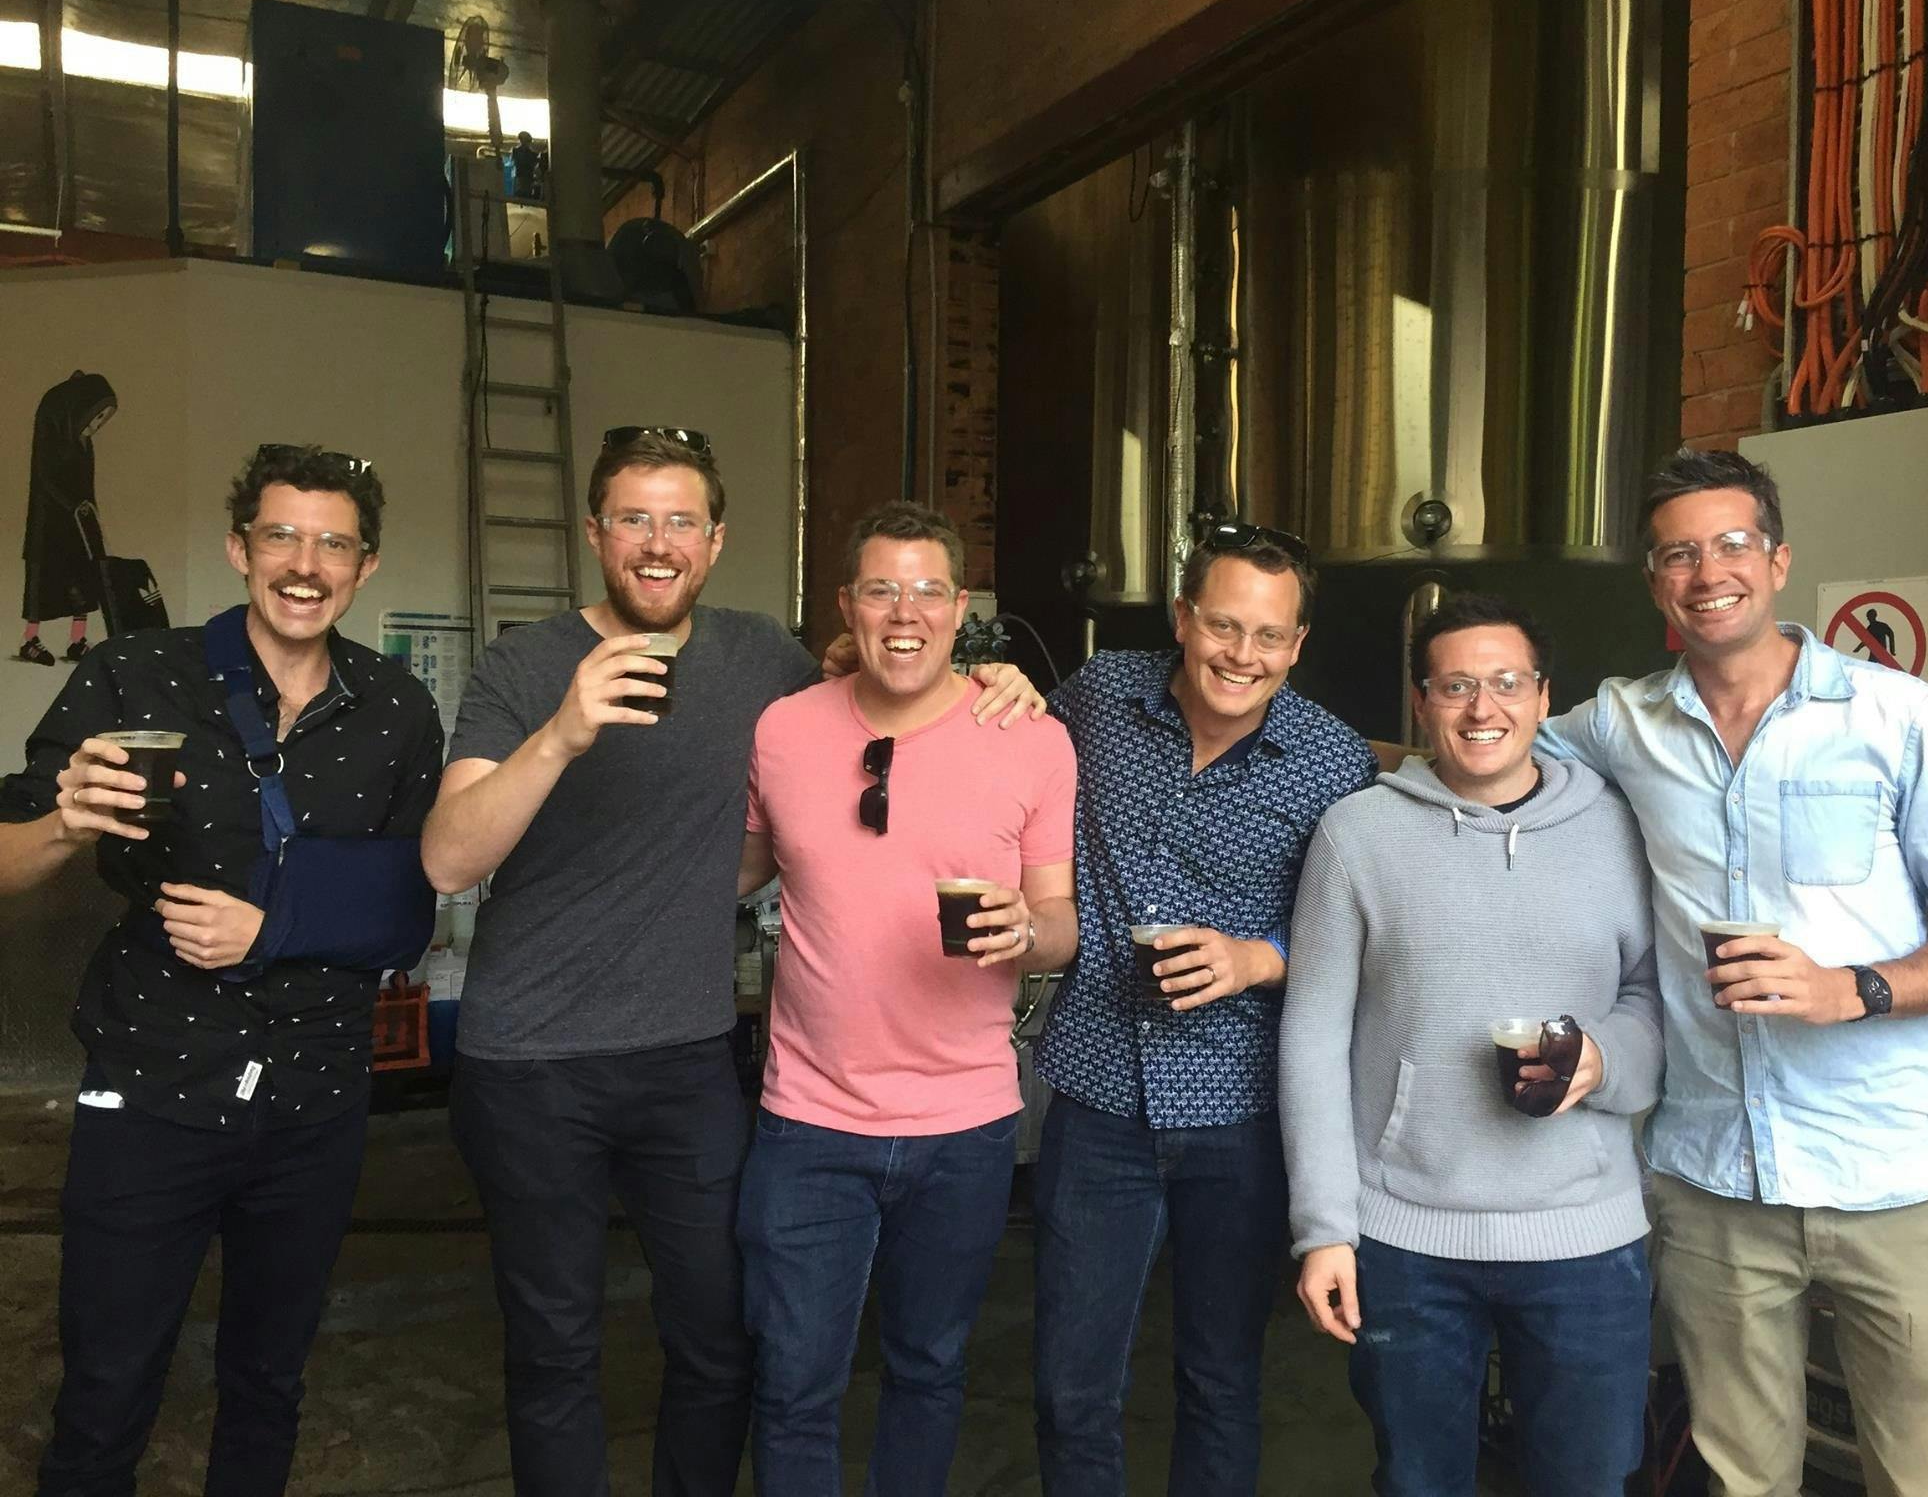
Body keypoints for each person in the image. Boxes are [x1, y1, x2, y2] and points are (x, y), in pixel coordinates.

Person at [420, 440, 1040, 1497]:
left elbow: (878, 681)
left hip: (687, 1057)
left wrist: (987, 674)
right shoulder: (523, 667)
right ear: (594, 533)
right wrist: (563, 733)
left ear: (714, 543)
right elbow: (447, 856)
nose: (655, 545)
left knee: (720, 1342)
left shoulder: (761, 659)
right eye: (631, 520)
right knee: (553, 1345)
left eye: (678, 524)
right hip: (531, 1062)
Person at [1539, 447, 1928, 1496]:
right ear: (1652, 582)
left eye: (1729, 544)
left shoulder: (1901, 718)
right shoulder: (1616, 725)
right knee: (1740, 1480)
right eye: (1676, 553)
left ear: (1776, 562)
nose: (1705, 570)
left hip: (1892, 1182)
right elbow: (1484, 748)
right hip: (1713, 1180)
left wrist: (1850, 988)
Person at [0, 444, 443, 1497]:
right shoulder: (137, 675)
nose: (306, 563)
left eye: (333, 543)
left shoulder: (395, 709)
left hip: (313, 1100)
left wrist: (275, 925)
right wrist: (65, 822)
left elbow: (406, 910)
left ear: (365, 567)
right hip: (151, 1086)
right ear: (240, 548)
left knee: (268, 1380)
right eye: (282, 535)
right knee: (106, 1388)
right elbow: (7, 854)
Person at [1281, 591, 1662, 1497]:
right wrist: (1325, 1229)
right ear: (1421, 702)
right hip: (1407, 1241)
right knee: (1418, 1483)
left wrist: (1605, 1062)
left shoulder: (1620, 829)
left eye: (1505, 683)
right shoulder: (1357, 834)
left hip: (1586, 1236)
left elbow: (1654, 996)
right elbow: (1312, 1036)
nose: (1482, 709)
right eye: (1456, 686)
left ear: (1542, 696)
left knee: (1588, 1483)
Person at [734, 500, 1079, 1496]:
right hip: (807, 1122)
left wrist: (1028, 932)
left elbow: (1056, 926)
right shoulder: (783, 730)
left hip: (964, 1124)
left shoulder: (1027, 738)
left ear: (958, 606)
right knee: (793, 1382)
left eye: (927, 590)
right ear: (847, 603)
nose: (903, 611)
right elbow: (738, 870)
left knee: (929, 1369)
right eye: (881, 588)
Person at [1031, 521, 1379, 1496]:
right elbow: (993, 761)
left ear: (1297, 643)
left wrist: (1255, 958)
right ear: (1182, 619)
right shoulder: (1095, 698)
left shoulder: (1330, 761)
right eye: (1223, 626)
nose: (1241, 654)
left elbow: (1356, 934)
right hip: (1098, 1092)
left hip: (1240, 1112)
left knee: (1219, 1380)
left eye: (1267, 636)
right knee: (1069, 1387)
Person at [19, 370, 116, 665]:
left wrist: (89, 513)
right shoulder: (53, 442)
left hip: (79, 524)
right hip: (50, 525)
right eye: (95, 418)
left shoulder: (84, 445)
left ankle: (77, 640)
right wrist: (73, 505)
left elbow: (87, 484)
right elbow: (45, 480)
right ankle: (29, 639)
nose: (95, 426)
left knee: (84, 581)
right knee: (43, 584)